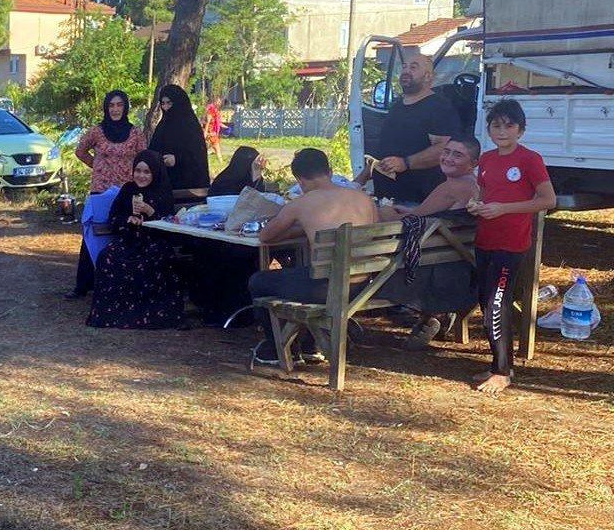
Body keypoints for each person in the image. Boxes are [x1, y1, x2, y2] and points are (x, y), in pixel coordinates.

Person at [248, 148, 379, 364]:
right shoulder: (363, 198)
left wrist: (298, 227)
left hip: (325, 289)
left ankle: (277, 348)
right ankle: (313, 344)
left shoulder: (301, 203)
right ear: (330, 171)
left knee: (259, 281)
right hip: (363, 286)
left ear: (299, 180)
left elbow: (266, 236)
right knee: (306, 273)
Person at [468, 99, 556, 394]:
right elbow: (483, 194)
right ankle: (500, 363)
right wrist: (476, 204)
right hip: (486, 239)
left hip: (512, 242)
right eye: (496, 125)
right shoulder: (487, 159)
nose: (502, 131)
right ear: (489, 129)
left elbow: (547, 200)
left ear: (520, 130)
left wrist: (504, 209)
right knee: (487, 302)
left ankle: (502, 372)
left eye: (509, 125)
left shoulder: (529, 159)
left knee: (497, 303)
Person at [378, 135, 483, 350]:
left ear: (473, 163)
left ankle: (434, 315)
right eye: (447, 152)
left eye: (457, 155)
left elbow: (405, 221)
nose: (448, 158)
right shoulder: (474, 184)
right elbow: (426, 214)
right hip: (459, 259)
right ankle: (437, 316)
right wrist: (407, 211)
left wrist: (383, 210)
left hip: (430, 268)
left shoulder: (451, 187)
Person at [87, 150, 185, 329]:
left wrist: (150, 212)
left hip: (155, 241)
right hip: (130, 239)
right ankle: (116, 313)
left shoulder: (162, 191)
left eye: (147, 172)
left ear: (155, 172)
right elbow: (114, 216)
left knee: (154, 260)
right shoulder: (128, 189)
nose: (141, 176)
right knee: (107, 257)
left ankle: (150, 314)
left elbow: (170, 224)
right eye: (138, 171)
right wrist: (128, 220)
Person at [67, 90, 147, 299]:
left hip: (126, 190)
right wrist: (97, 166)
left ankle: (121, 282)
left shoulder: (135, 133)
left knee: (122, 232)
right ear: (106, 108)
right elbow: (80, 151)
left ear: (125, 107)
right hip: (101, 190)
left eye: (119, 105)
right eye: (111, 105)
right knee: (93, 235)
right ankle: (83, 285)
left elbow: (144, 158)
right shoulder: (97, 131)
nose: (115, 109)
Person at [355, 54, 460, 206]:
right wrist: (359, 181)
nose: (406, 71)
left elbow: (444, 149)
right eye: (404, 67)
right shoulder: (397, 105)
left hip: (416, 202)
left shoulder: (439, 107)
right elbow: (383, 151)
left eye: (413, 67)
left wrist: (406, 163)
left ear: (428, 76)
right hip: (385, 199)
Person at [189, 145, 268, 326]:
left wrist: (256, 177)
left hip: (243, 237)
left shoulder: (253, 179)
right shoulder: (225, 181)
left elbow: (258, 202)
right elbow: (243, 204)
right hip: (220, 239)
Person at [149, 84, 209, 190]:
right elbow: (153, 149)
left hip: (187, 184)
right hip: (164, 182)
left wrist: (177, 159)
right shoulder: (163, 125)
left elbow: (198, 156)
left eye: (169, 103)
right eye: (163, 103)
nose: (165, 107)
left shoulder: (190, 126)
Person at [204, 96, 224, 161]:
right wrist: (205, 132)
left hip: (212, 132)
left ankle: (220, 161)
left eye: (220, 102)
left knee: (215, 147)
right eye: (218, 101)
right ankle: (220, 161)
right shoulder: (211, 110)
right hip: (210, 132)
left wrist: (225, 127)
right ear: (214, 101)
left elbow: (217, 122)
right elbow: (208, 122)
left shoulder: (215, 110)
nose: (219, 103)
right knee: (216, 147)